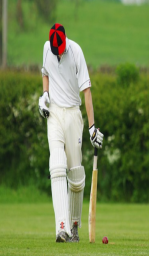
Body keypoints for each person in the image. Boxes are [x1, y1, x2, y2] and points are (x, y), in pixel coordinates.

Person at [38, 23, 104, 243]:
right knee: (56, 165)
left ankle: (74, 226)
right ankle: (61, 228)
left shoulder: (75, 51)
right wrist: (44, 96)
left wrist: (92, 126)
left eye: (61, 48)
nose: (59, 52)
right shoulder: (47, 48)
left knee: (75, 176)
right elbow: (45, 73)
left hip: (73, 114)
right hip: (55, 113)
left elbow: (86, 91)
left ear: (65, 40)